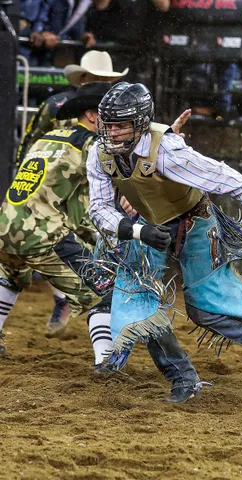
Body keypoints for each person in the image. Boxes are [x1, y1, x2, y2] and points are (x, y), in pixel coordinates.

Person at [87, 82, 242, 402]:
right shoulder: (99, 154)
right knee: (138, 303)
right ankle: (181, 375)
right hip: (147, 225)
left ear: (140, 124)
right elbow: (99, 208)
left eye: (120, 125)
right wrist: (138, 231)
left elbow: (227, 178)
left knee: (204, 308)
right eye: (108, 124)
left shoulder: (169, 151)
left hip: (193, 221)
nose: (111, 133)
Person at [15, 50, 129, 338]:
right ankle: (76, 304)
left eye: (107, 80)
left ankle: (77, 303)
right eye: (99, 79)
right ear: (85, 78)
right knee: (69, 246)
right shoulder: (56, 107)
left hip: (87, 187)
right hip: (62, 187)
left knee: (74, 247)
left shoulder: (102, 110)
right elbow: (30, 144)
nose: (104, 84)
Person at [0, 83, 114, 367]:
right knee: (103, 289)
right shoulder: (92, 146)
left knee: (9, 278)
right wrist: (107, 240)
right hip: (43, 234)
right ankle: (107, 360)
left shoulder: (49, 137)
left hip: (5, 226)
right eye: (110, 115)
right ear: (91, 115)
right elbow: (81, 214)